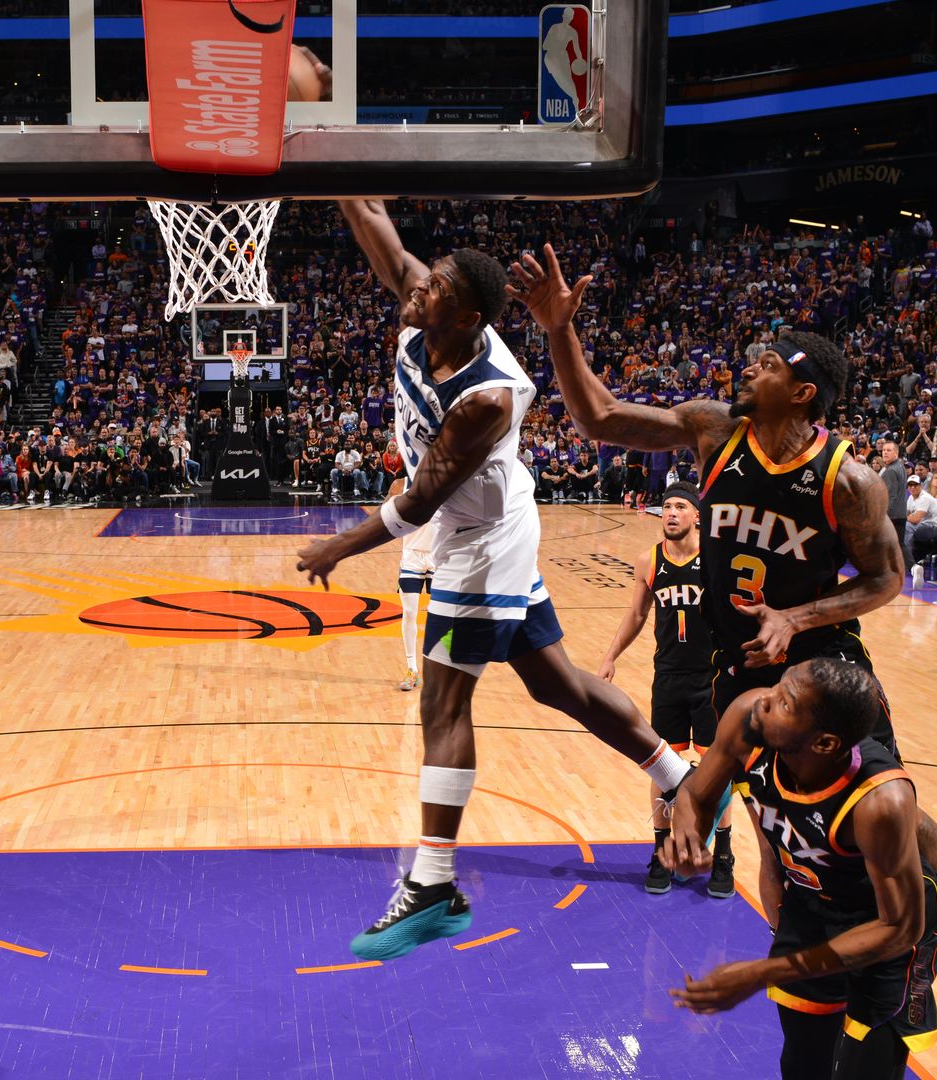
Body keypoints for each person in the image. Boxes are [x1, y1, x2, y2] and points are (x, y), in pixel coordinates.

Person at [507, 245, 937, 1016]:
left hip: (822, 666)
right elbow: (599, 416)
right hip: (735, 664)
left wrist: (797, 615)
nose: (750, 365)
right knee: (776, 832)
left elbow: (887, 579)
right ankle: (795, 973)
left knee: (888, 801)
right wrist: (559, 331)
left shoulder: (847, 479)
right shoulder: (713, 431)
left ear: (801, 392)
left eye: (768, 362)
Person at [296, 201, 694, 961]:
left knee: (444, 703)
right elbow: (382, 237)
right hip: (479, 528)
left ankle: (434, 884)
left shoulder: (489, 397)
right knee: (556, 685)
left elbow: (416, 503)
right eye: (425, 279)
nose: (417, 287)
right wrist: (326, 151)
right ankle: (679, 780)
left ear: (467, 312)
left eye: (435, 285)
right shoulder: (432, 314)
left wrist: (336, 550)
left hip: (482, 542)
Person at [664, 660, 937, 1080]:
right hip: (811, 906)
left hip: (886, 930)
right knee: (801, 1066)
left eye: (785, 702)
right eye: (778, 686)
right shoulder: (749, 717)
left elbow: (899, 928)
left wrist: (761, 972)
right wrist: (687, 834)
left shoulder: (879, 802)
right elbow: (697, 794)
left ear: (825, 743)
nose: (766, 699)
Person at [596, 483, 735, 897]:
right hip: (669, 677)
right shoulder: (648, 560)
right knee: (662, 767)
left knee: (717, 770)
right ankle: (660, 849)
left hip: (710, 678)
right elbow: (638, 614)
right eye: (667, 507)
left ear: (697, 516)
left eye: (680, 507)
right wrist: (610, 655)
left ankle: (723, 855)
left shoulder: (715, 560)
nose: (671, 513)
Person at [389, 476, 435, 692]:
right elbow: (385, 515)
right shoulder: (401, 483)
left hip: (439, 555)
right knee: (409, 613)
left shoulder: (452, 477)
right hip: (412, 556)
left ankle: (444, 669)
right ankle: (412, 669)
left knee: (444, 615)